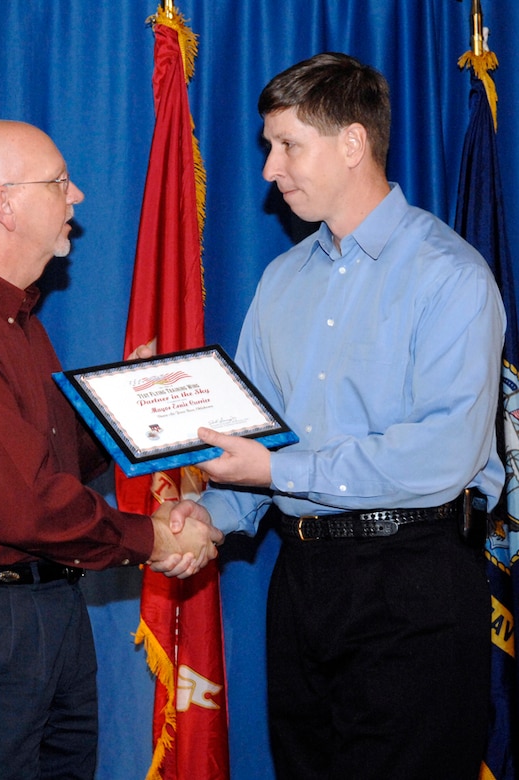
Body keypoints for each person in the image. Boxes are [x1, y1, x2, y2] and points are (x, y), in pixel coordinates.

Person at [170, 53, 505, 779]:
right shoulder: (281, 279)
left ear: (353, 143)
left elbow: (442, 454)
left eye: (287, 145)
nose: (268, 169)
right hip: (300, 581)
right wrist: (211, 518)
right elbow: (255, 438)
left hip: (411, 580)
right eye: (267, 147)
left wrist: (275, 469)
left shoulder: (449, 276)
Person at [0, 118, 221, 780]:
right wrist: (154, 539)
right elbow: (23, 505)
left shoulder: (12, 320)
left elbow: (50, 457)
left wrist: (134, 405)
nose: (78, 195)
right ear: (4, 201)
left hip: (45, 607)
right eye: (59, 182)